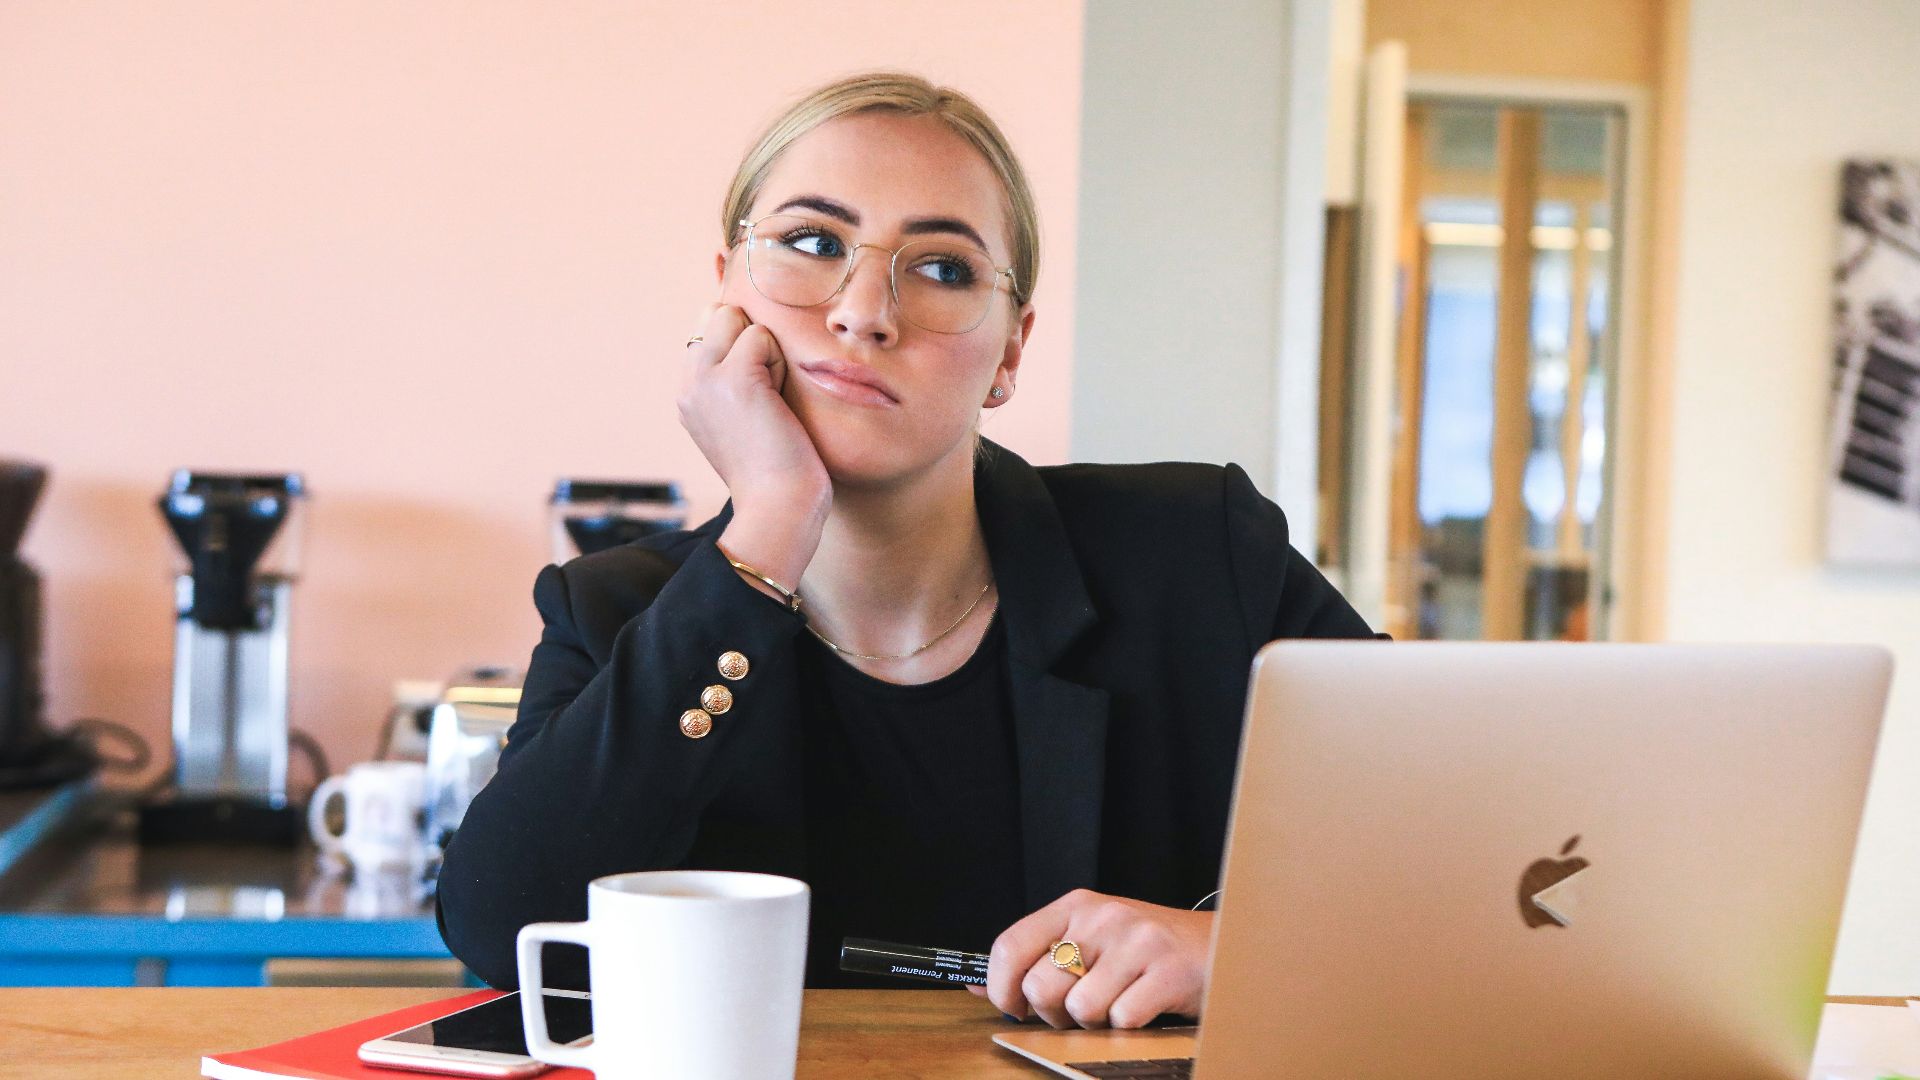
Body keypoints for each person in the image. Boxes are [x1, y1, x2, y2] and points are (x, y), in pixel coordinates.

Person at [436, 70, 1379, 1032]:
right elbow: (503, 928)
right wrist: (768, 526)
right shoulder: (614, 610)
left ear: (1011, 351)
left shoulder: (1199, 554)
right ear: (724, 292)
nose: (863, 311)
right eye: (812, 244)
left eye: (942, 268)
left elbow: (1481, 857)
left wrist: (1238, 951)